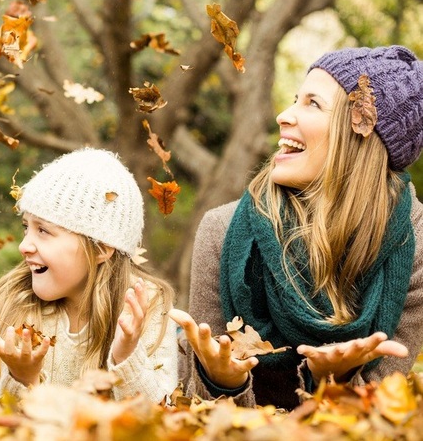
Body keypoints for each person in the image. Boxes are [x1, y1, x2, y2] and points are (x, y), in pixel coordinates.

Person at [173, 45, 423, 409]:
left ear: (363, 131)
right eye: (294, 99)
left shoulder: (415, 244)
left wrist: (333, 384)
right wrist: (221, 382)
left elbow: (383, 413)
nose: (283, 116)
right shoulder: (222, 230)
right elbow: (192, 414)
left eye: (313, 103)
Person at [0, 148, 177, 403]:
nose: (24, 245)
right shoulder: (16, 304)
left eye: (43, 231)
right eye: (26, 227)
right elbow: (5, 425)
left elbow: (161, 422)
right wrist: (22, 379)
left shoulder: (147, 306)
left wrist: (126, 356)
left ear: (100, 249)